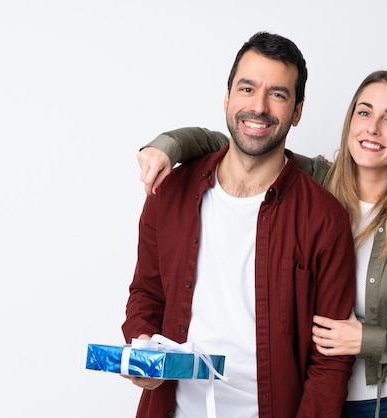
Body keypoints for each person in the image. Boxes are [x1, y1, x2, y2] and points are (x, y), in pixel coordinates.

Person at [136, 70, 387, 418]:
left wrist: (368, 339)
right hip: (314, 396)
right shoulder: (313, 181)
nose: (373, 128)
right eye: (364, 113)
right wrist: (165, 146)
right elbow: (238, 141)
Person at [122, 31, 357, 418]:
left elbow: (330, 363)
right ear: (228, 97)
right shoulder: (170, 193)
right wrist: (142, 349)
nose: (259, 106)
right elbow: (146, 293)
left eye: (278, 94)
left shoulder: (324, 218)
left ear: (297, 112)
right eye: (247, 88)